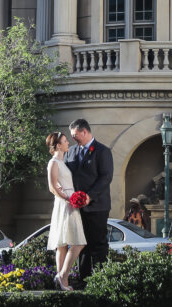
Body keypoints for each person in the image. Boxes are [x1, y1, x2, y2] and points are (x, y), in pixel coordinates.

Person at [67, 118, 113, 284]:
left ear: (84, 131)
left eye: (75, 135)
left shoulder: (102, 151)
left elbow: (106, 177)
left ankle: (100, 281)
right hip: (76, 208)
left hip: (97, 207)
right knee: (81, 244)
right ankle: (83, 281)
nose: (73, 138)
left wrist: (89, 196)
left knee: (98, 245)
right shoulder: (71, 152)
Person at [45, 131, 86, 291]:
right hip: (65, 203)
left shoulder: (62, 162)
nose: (68, 142)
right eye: (65, 141)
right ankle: (63, 275)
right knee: (78, 242)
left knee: (63, 245)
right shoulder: (54, 162)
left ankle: (62, 281)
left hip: (69, 201)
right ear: (58, 146)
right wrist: (69, 199)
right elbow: (52, 187)